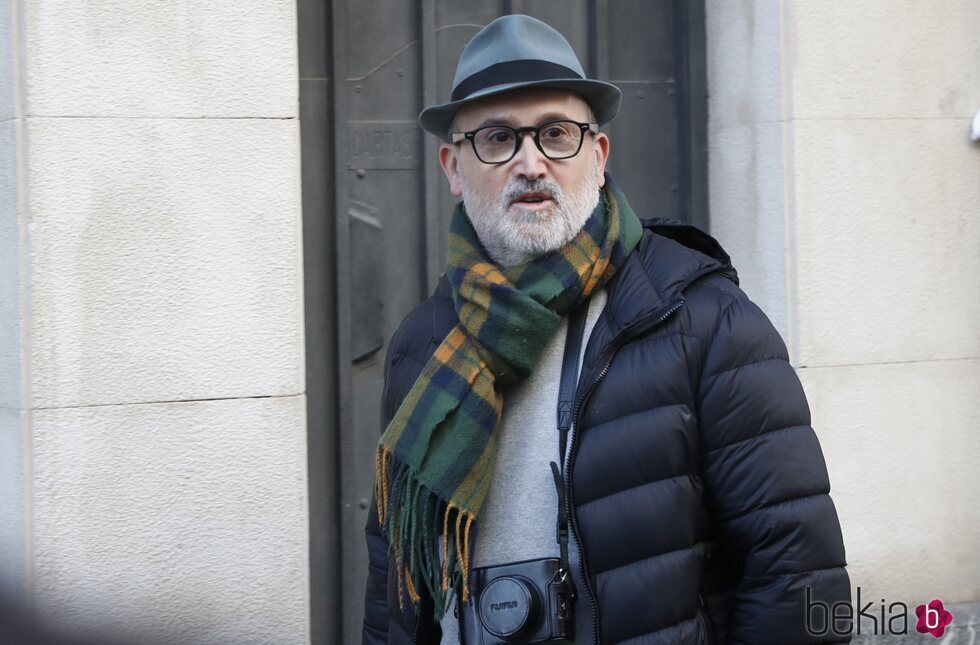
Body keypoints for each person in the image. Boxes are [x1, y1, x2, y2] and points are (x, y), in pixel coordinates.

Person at [362, 14, 850, 645]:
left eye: (557, 134)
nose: (531, 164)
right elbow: (393, 589)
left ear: (597, 154)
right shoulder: (422, 345)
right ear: (454, 167)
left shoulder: (702, 322)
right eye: (497, 139)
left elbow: (797, 579)